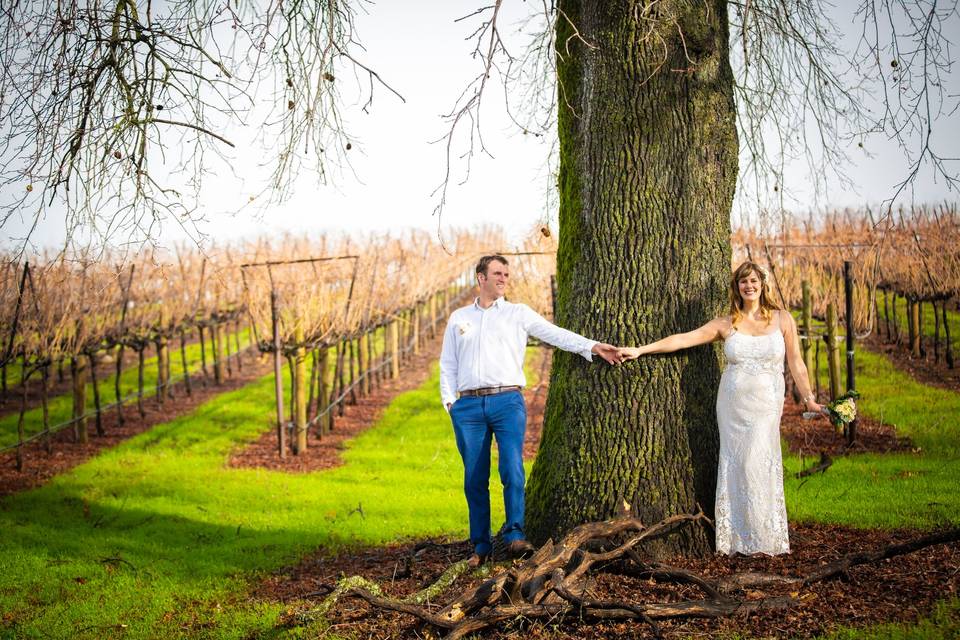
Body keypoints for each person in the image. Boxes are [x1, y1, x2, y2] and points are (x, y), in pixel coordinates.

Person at [619, 261, 823, 556]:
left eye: (753, 281)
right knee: (737, 463)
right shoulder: (726, 323)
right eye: (743, 282)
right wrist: (641, 349)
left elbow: (796, 362)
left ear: (762, 284)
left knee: (758, 460)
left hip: (767, 402)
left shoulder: (782, 319)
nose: (749, 286)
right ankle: (737, 539)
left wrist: (809, 398)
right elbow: (683, 339)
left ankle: (766, 538)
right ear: (737, 287)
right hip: (733, 403)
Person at [440, 254, 622, 566]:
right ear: (480, 278)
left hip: (507, 401)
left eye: (506, 274)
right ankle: (481, 547)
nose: (503, 279)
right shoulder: (459, 318)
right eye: (497, 273)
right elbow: (448, 363)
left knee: (512, 469)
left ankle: (514, 535)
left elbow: (555, 334)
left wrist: (591, 346)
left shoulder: (517, 313)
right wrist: (450, 403)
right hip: (468, 406)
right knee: (474, 478)